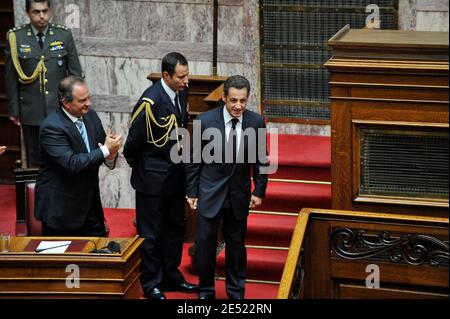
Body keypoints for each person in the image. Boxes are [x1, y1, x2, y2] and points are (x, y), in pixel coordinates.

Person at [186, 75, 269, 299]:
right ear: (224, 98)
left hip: (238, 194)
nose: (238, 106)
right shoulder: (204, 121)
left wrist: (259, 190)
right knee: (205, 244)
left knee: (236, 246)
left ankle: (236, 291)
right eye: (233, 100)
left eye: (242, 100)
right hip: (209, 193)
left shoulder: (255, 121)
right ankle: (205, 290)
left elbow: (262, 159)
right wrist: (192, 191)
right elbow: (193, 159)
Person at [123, 52, 197, 299]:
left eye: (187, 75)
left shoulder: (181, 92)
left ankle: (171, 275)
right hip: (152, 180)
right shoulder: (150, 102)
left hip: (175, 175)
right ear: (166, 75)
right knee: (151, 233)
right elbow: (132, 145)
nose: (186, 81)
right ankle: (151, 281)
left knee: (175, 228)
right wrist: (145, 170)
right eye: (181, 76)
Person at [34, 76, 122, 236]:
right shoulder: (52, 127)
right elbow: (71, 163)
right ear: (65, 103)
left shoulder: (91, 116)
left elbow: (101, 150)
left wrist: (111, 155)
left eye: (88, 97)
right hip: (62, 211)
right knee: (66, 260)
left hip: (90, 207)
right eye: (82, 100)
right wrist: (106, 150)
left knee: (98, 257)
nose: (88, 103)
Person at [4, 0, 83, 168]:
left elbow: (75, 73)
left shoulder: (63, 35)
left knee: (62, 156)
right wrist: (14, 110)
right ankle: (36, 194)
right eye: (36, 12)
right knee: (34, 160)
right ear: (27, 13)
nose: (41, 16)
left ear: (50, 11)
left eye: (45, 11)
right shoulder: (16, 37)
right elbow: (10, 76)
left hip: (60, 110)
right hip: (31, 110)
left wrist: (76, 106)